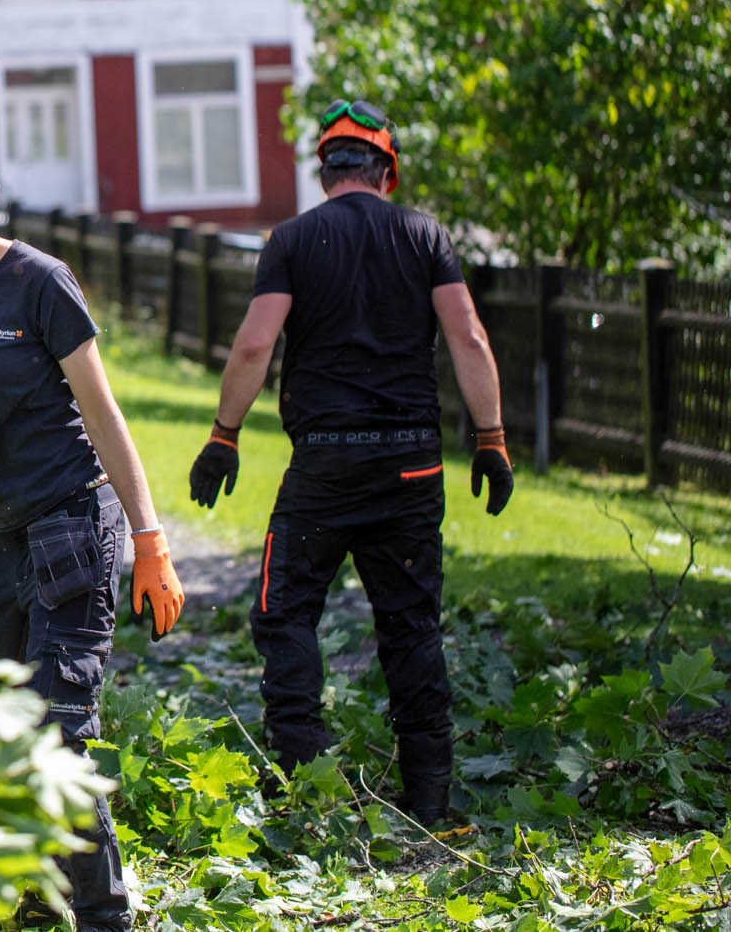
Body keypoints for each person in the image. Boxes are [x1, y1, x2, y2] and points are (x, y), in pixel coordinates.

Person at [0, 96, 185, 932]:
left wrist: (151, 539)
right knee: (2, 737)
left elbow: (103, 412)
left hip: (72, 530)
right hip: (1, 541)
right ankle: (40, 904)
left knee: (59, 740)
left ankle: (103, 919)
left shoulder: (41, 282)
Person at [187, 97, 514, 824]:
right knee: (411, 624)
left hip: (326, 466)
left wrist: (224, 433)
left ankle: (306, 783)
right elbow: (469, 337)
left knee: (283, 610)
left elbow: (252, 344)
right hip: (413, 466)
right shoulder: (426, 235)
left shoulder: (292, 240)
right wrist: (489, 438)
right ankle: (430, 800)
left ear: (325, 170)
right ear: (386, 172)